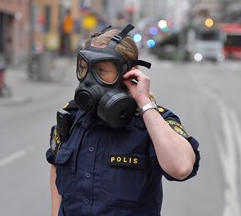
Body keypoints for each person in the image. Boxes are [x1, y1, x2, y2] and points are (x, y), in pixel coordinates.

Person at [46, 24, 200, 216]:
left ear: (128, 72)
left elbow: (180, 167)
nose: (89, 79)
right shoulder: (72, 119)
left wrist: (144, 102)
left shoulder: (152, 123)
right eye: (84, 68)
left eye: (101, 71)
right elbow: (56, 167)